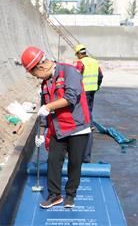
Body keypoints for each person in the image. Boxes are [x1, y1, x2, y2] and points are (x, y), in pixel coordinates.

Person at [21, 46, 91, 209]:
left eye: (35, 74)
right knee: (53, 161)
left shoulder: (69, 72)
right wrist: (41, 132)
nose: (37, 78)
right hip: (58, 129)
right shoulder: (45, 84)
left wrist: (48, 107)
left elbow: (70, 98)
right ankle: (54, 195)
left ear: (41, 66)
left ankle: (70, 195)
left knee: (75, 163)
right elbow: (44, 109)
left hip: (77, 127)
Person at [74, 44, 103, 163]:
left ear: (79, 53)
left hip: (83, 92)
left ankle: (88, 126)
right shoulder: (95, 62)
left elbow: (76, 77)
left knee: (83, 114)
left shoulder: (80, 63)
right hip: (92, 91)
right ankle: (89, 124)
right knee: (89, 110)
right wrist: (97, 87)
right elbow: (100, 76)